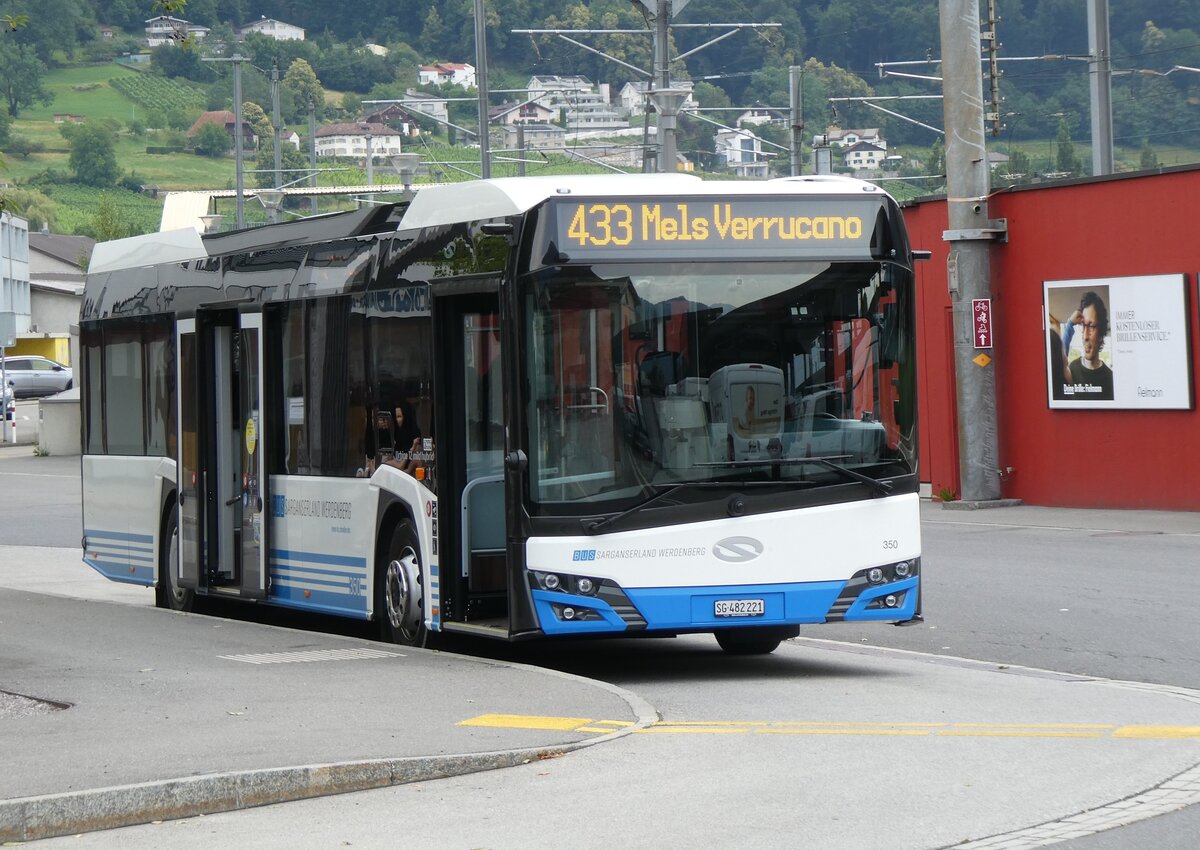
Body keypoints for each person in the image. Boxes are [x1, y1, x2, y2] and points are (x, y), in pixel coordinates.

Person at [1061, 290, 1114, 400]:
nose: (1085, 336)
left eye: (1091, 326)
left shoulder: (1111, 379)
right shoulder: (1071, 370)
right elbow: (1056, 363)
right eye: (1083, 326)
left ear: (1101, 332)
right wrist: (1070, 325)